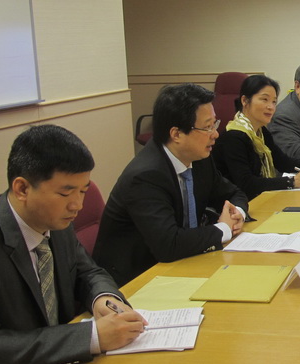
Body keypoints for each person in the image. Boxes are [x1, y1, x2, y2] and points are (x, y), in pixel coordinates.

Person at [0, 125, 147, 364]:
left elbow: (87, 271)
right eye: (65, 193)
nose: (77, 205)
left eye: (83, 191)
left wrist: (103, 298)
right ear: (22, 189)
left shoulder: (55, 221)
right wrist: (91, 337)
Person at [93, 84, 249, 286]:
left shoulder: (199, 158)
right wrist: (224, 229)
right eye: (207, 127)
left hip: (184, 263)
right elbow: (169, 244)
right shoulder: (145, 176)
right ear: (176, 134)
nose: (215, 134)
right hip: (136, 280)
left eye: (215, 124)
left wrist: (237, 214)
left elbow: (234, 193)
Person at [214, 75, 300, 200]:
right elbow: (246, 184)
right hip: (235, 204)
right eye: (264, 99)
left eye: (274, 101)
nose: (271, 107)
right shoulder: (234, 137)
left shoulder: (261, 131)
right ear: (245, 100)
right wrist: (292, 181)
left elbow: (281, 161)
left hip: (258, 198)